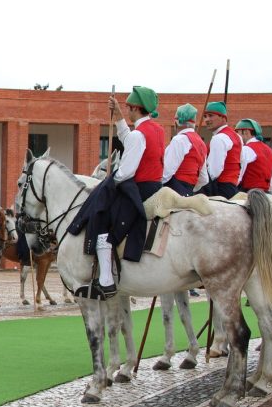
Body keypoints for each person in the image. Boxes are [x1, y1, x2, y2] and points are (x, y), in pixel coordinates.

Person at [68, 86, 165, 299]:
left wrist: (111, 180)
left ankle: (106, 279)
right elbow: (131, 141)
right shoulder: (157, 130)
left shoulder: (140, 134)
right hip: (155, 185)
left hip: (137, 188)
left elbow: (128, 170)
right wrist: (119, 117)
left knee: (101, 215)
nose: (128, 111)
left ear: (136, 108)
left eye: (129, 107)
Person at [162, 103, 208, 196]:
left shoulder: (179, 139)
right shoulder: (201, 143)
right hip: (189, 190)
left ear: (176, 122)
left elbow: (166, 172)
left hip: (174, 191)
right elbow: (204, 178)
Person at [199, 101, 242, 198]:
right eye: (205, 116)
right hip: (233, 187)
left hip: (219, 188)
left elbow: (214, 171)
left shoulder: (219, 138)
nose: (207, 120)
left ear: (223, 117)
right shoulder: (237, 136)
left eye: (211, 116)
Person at [236, 118, 272, 193]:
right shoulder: (271, 151)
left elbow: (239, 173)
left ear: (246, 132)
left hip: (248, 191)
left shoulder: (246, 149)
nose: (237, 136)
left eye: (238, 133)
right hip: (266, 192)